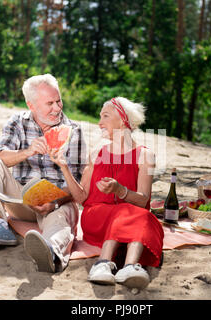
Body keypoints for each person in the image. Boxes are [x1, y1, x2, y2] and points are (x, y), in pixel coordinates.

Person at [48, 97, 164, 289]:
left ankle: (126, 267)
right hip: (96, 218)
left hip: (131, 218)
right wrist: (64, 168)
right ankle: (108, 264)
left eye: (106, 116)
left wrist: (121, 191)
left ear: (123, 120)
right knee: (129, 212)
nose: (99, 122)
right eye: (100, 116)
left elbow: (143, 202)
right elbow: (82, 197)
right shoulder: (96, 154)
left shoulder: (145, 156)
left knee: (141, 214)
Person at [0, 74, 87, 273]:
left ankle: (51, 251)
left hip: (56, 202)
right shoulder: (18, 122)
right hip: (21, 200)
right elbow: (1, 156)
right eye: (50, 103)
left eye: (59, 100)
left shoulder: (74, 130)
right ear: (32, 105)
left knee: (63, 216)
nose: (57, 108)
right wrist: (28, 151)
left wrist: (54, 202)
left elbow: (79, 185)